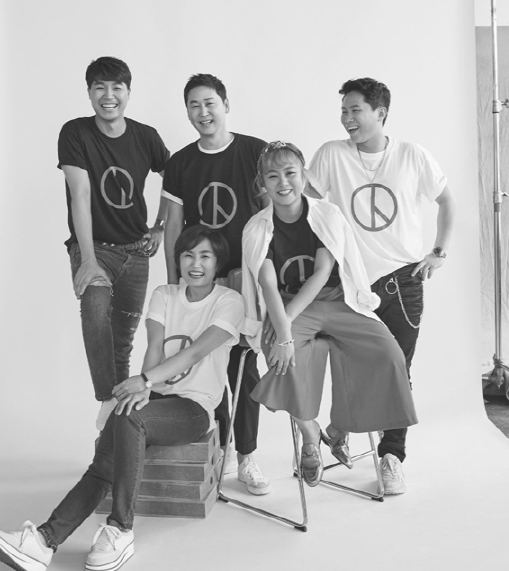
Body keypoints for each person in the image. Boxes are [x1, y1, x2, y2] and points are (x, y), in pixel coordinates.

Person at [0, 225, 245, 571]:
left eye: (205, 256)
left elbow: (196, 352)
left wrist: (145, 381)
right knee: (103, 463)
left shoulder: (229, 301)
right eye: (188, 255)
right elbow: (154, 347)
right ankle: (43, 541)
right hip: (157, 399)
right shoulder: (165, 294)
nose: (195, 264)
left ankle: (121, 529)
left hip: (194, 409)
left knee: (130, 418)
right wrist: (145, 389)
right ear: (178, 260)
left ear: (217, 263)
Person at [308, 77, 456, 494]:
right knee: (350, 363)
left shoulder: (412, 155)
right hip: (349, 279)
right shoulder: (332, 154)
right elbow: (306, 205)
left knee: (397, 368)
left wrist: (438, 252)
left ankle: (391, 456)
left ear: (381, 113)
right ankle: (340, 429)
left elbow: (447, 200)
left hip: (402, 281)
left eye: (355, 110)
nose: (347, 118)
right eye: (343, 111)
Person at [241, 141, 417, 487]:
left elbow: (322, 272)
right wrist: (284, 333)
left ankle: (338, 429)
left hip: (337, 300)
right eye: (272, 176)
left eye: (290, 173)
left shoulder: (326, 214)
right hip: (286, 303)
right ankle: (310, 435)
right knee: (281, 358)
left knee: (389, 354)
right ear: (262, 183)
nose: (283, 182)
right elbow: (268, 285)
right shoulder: (257, 228)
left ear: (304, 175)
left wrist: (286, 327)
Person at [162, 73, 270, 495]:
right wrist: (174, 283)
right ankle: (219, 448)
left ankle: (247, 455)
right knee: (207, 365)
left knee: (243, 365)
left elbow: (273, 213)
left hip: (245, 279)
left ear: (226, 105)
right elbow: (173, 226)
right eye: (194, 105)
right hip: (200, 280)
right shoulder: (180, 163)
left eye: (210, 103)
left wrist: (267, 274)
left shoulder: (255, 152)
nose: (203, 112)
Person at [58, 56, 170, 430]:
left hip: (136, 252)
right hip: (94, 247)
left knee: (122, 341)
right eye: (100, 88)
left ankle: (116, 426)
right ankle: (107, 400)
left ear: (128, 92)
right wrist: (88, 260)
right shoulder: (75, 132)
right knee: (94, 310)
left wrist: (160, 226)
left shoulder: (146, 136)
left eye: (116, 87)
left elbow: (175, 178)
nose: (108, 96)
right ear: (89, 93)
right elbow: (80, 193)